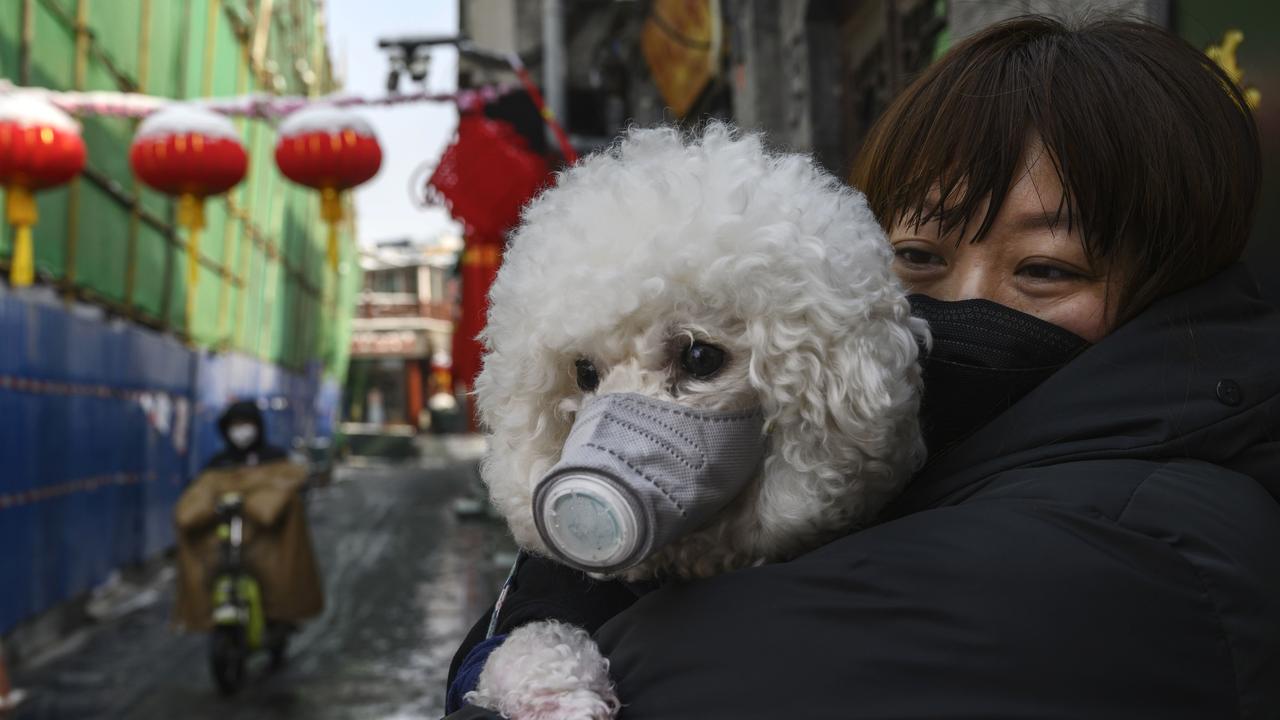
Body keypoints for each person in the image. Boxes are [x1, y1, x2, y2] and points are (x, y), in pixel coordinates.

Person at [447, 15, 1280, 718]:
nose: (968, 299)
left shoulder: (1141, 538)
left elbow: (680, 682)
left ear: (1173, 277)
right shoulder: (934, 463)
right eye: (917, 255)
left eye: (1045, 270)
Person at [205, 399, 288, 469]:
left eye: (246, 422)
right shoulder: (219, 462)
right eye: (235, 424)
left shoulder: (275, 458)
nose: (241, 429)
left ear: (258, 425)